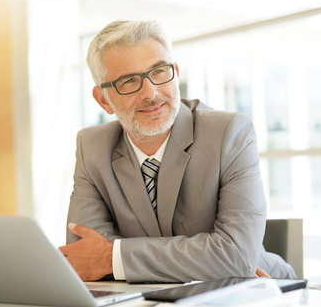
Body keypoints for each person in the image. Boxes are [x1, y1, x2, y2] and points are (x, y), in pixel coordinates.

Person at [59, 20, 296, 283]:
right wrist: (202, 262)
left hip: (262, 290)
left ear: (177, 72)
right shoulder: (92, 146)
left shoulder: (229, 133)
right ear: (103, 99)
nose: (151, 93)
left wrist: (111, 258)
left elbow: (236, 257)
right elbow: (84, 256)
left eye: (159, 71)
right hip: (156, 302)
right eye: (128, 81)